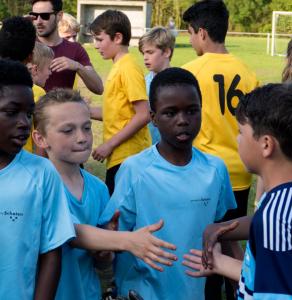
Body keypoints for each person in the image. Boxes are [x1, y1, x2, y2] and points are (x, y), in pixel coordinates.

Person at [102, 68, 237, 300]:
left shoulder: (215, 169)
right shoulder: (134, 170)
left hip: (193, 292)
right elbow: (112, 237)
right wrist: (107, 243)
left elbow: (224, 233)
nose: (183, 120)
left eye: (192, 111)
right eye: (170, 113)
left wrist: (236, 284)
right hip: (140, 293)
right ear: (153, 118)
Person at [32, 88, 177, 300]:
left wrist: (104, 250)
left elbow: (101, 263)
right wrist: (124, 240)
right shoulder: (35, 184)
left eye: (87, 127)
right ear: (40, 138)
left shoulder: (98, 188)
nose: (82, 138)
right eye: (68, 131)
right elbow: (69, 232)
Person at [183, 83, 292, 299]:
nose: (237, 139)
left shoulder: (276, 218)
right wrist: (221, 263)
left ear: (266, 145)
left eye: (240, 132)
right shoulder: (283, 201)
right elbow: (277, 279)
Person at [182, 2, 259, 298]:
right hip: (241, 170)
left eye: (190, 34)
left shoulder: (189, 72)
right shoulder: (247, 71)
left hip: (206, 173)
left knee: (205, 241)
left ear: (202, 33)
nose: (190, 41)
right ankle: (242, 288)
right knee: (232, 239)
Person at [0, 58, 75, 300]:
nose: (23, 123)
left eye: (28, 114)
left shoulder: (42, 173)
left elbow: (51, 252)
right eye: (12, 113)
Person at [89, 10, 151, 195]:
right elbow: (116, 113)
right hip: (119, 157)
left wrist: (109, 145)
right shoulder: (119, 67)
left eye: (100, 39)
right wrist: (84, 111)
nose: (95, 45)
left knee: (119, 220)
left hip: (129, 158)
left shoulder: (128, 68)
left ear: (117, 37)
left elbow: (143, 114)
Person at [255, 34, 292, 206]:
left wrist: (259, 201)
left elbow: (265, 153)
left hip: (280, 189)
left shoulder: (274, 99)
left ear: (288, 60)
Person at [29, 0, 103, 94]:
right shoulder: (24, 46)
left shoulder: (75, 49)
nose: (38, 21)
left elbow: (99, 88)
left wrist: (78, 66)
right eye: (34, 15)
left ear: (59, 16)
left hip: (63, 108)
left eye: (45, 16)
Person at [138, 26, 175, 144]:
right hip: (147, 150)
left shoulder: (180, 84)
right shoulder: (142, 83)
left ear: (167, 52)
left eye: (150, 52)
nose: (145, 57)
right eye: (143, 53)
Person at [25, 41, 54, 153]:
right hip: (27, 161)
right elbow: (41, 134)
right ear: (35, 69)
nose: (50, 73)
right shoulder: (37, 92)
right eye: (49, 68)